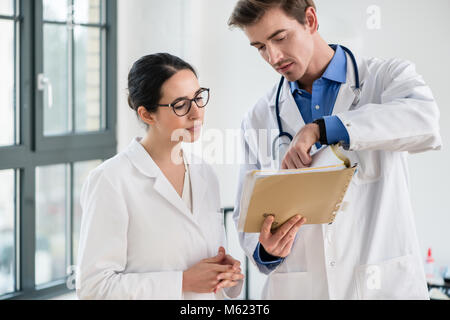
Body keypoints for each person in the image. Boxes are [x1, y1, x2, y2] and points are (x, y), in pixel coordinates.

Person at [228, 0, 441, 299]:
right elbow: (247, 219)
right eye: (260, 47)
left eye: (279, 37)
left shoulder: (384, 79)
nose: (273, 56)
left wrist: (323, 128)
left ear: (311, 20)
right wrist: (267, 249)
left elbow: (424, 122)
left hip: (382, 285)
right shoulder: (258, 118)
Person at [76, 53, 244, 299]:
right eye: (180, 104)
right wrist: (182, 282)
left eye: (198, 98)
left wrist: (225, 275)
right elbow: (93, 288)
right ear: (147, 115)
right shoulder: (111, 180)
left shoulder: (204, 173)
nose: (196, 113)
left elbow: (207, 272)